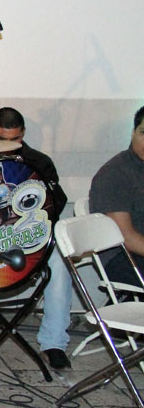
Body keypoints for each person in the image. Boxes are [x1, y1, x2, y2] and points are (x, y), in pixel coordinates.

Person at [0, 108, 73, 370]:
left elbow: (57, 202)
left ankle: (54, 342)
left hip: (27, 235)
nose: (9, 145)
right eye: (2, 139)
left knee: (60, 260)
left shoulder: (38, 161)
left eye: (15, 139)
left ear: (23, 134)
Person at [88, 105, 144, 286]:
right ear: (133, 132)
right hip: (124, 257)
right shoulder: (115, 173)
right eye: (143, 133)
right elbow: (127, 238)